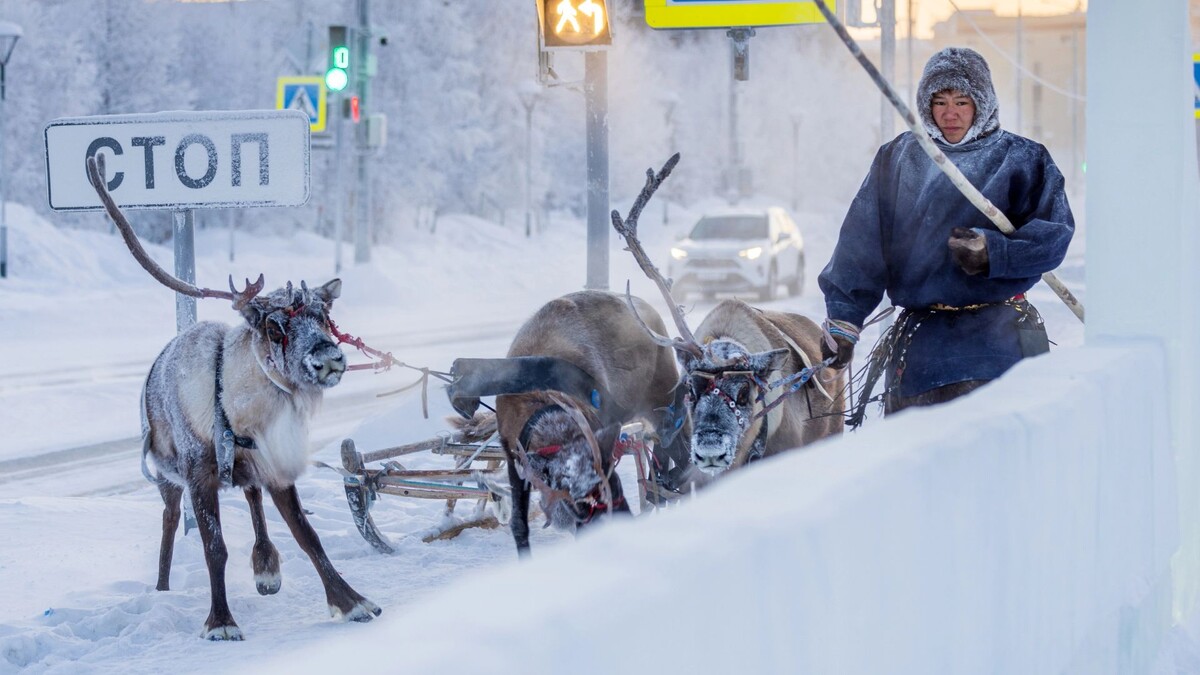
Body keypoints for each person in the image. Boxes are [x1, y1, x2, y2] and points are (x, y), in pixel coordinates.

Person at [817, 46, 1075, 419]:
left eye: (961, 101)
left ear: (982, 103)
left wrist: (994, 252)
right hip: (923, 343)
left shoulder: (1023, 159)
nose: (949, 114)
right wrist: (844, 320)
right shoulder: (899, 158)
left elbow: (1054, 237)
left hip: (1001, 338)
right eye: (938, 102)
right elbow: (862, 244)